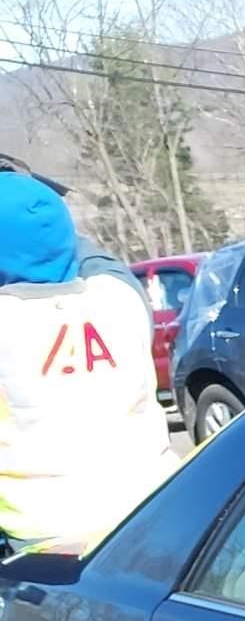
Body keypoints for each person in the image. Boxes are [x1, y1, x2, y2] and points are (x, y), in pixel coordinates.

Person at [0, 172, 176, 556]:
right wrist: (36, 203)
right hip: (157, 511)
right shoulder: (120, 298)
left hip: (45, 539)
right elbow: (94, 257)